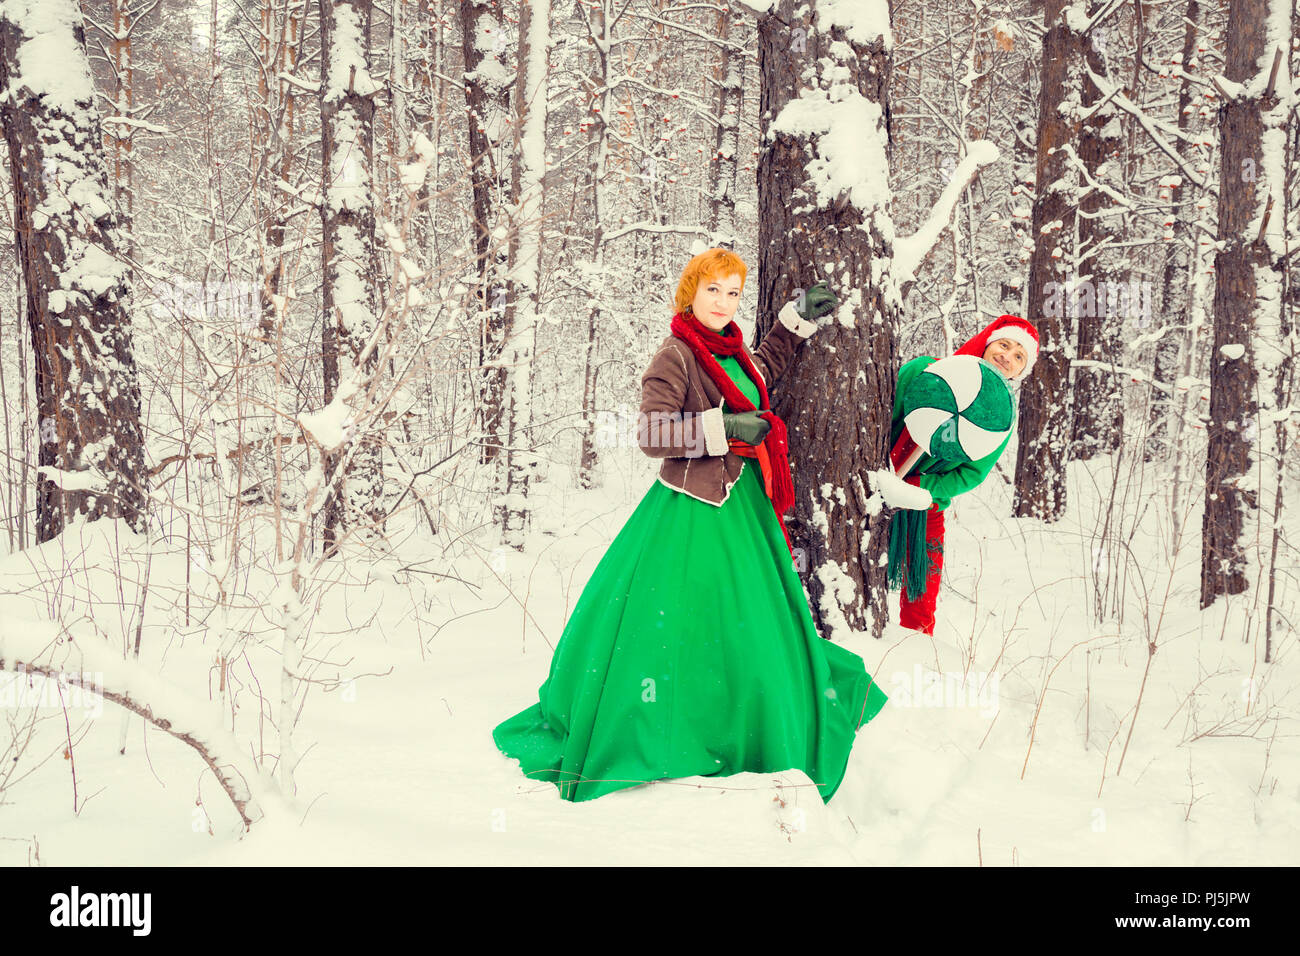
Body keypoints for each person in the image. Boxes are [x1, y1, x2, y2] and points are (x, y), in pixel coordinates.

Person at [492, 248, 889, 804]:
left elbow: (759, 372)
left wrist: (796, 319)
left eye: (733, 292)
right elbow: (653, 434)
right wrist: (723, 427)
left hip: (742, 503)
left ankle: (745, 711)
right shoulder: (675, 354)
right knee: (686, 619)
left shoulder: (728, 350)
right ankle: (685, 727)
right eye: (713, 291)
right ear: (690, 293)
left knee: (747, 617)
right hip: (695, 505)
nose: (724, 303)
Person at [879, 315, 1040, 635]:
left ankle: (915, 654)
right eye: (1004, 344)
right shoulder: (925, 371)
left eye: (1019, 356)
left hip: (926, 506)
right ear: (986, 343)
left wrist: (919, 487)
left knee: (921, 598)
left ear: (1021, 371)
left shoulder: (999, 421)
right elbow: (881, 417)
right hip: (872, 485)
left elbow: (971, 474)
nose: (1007, 356)